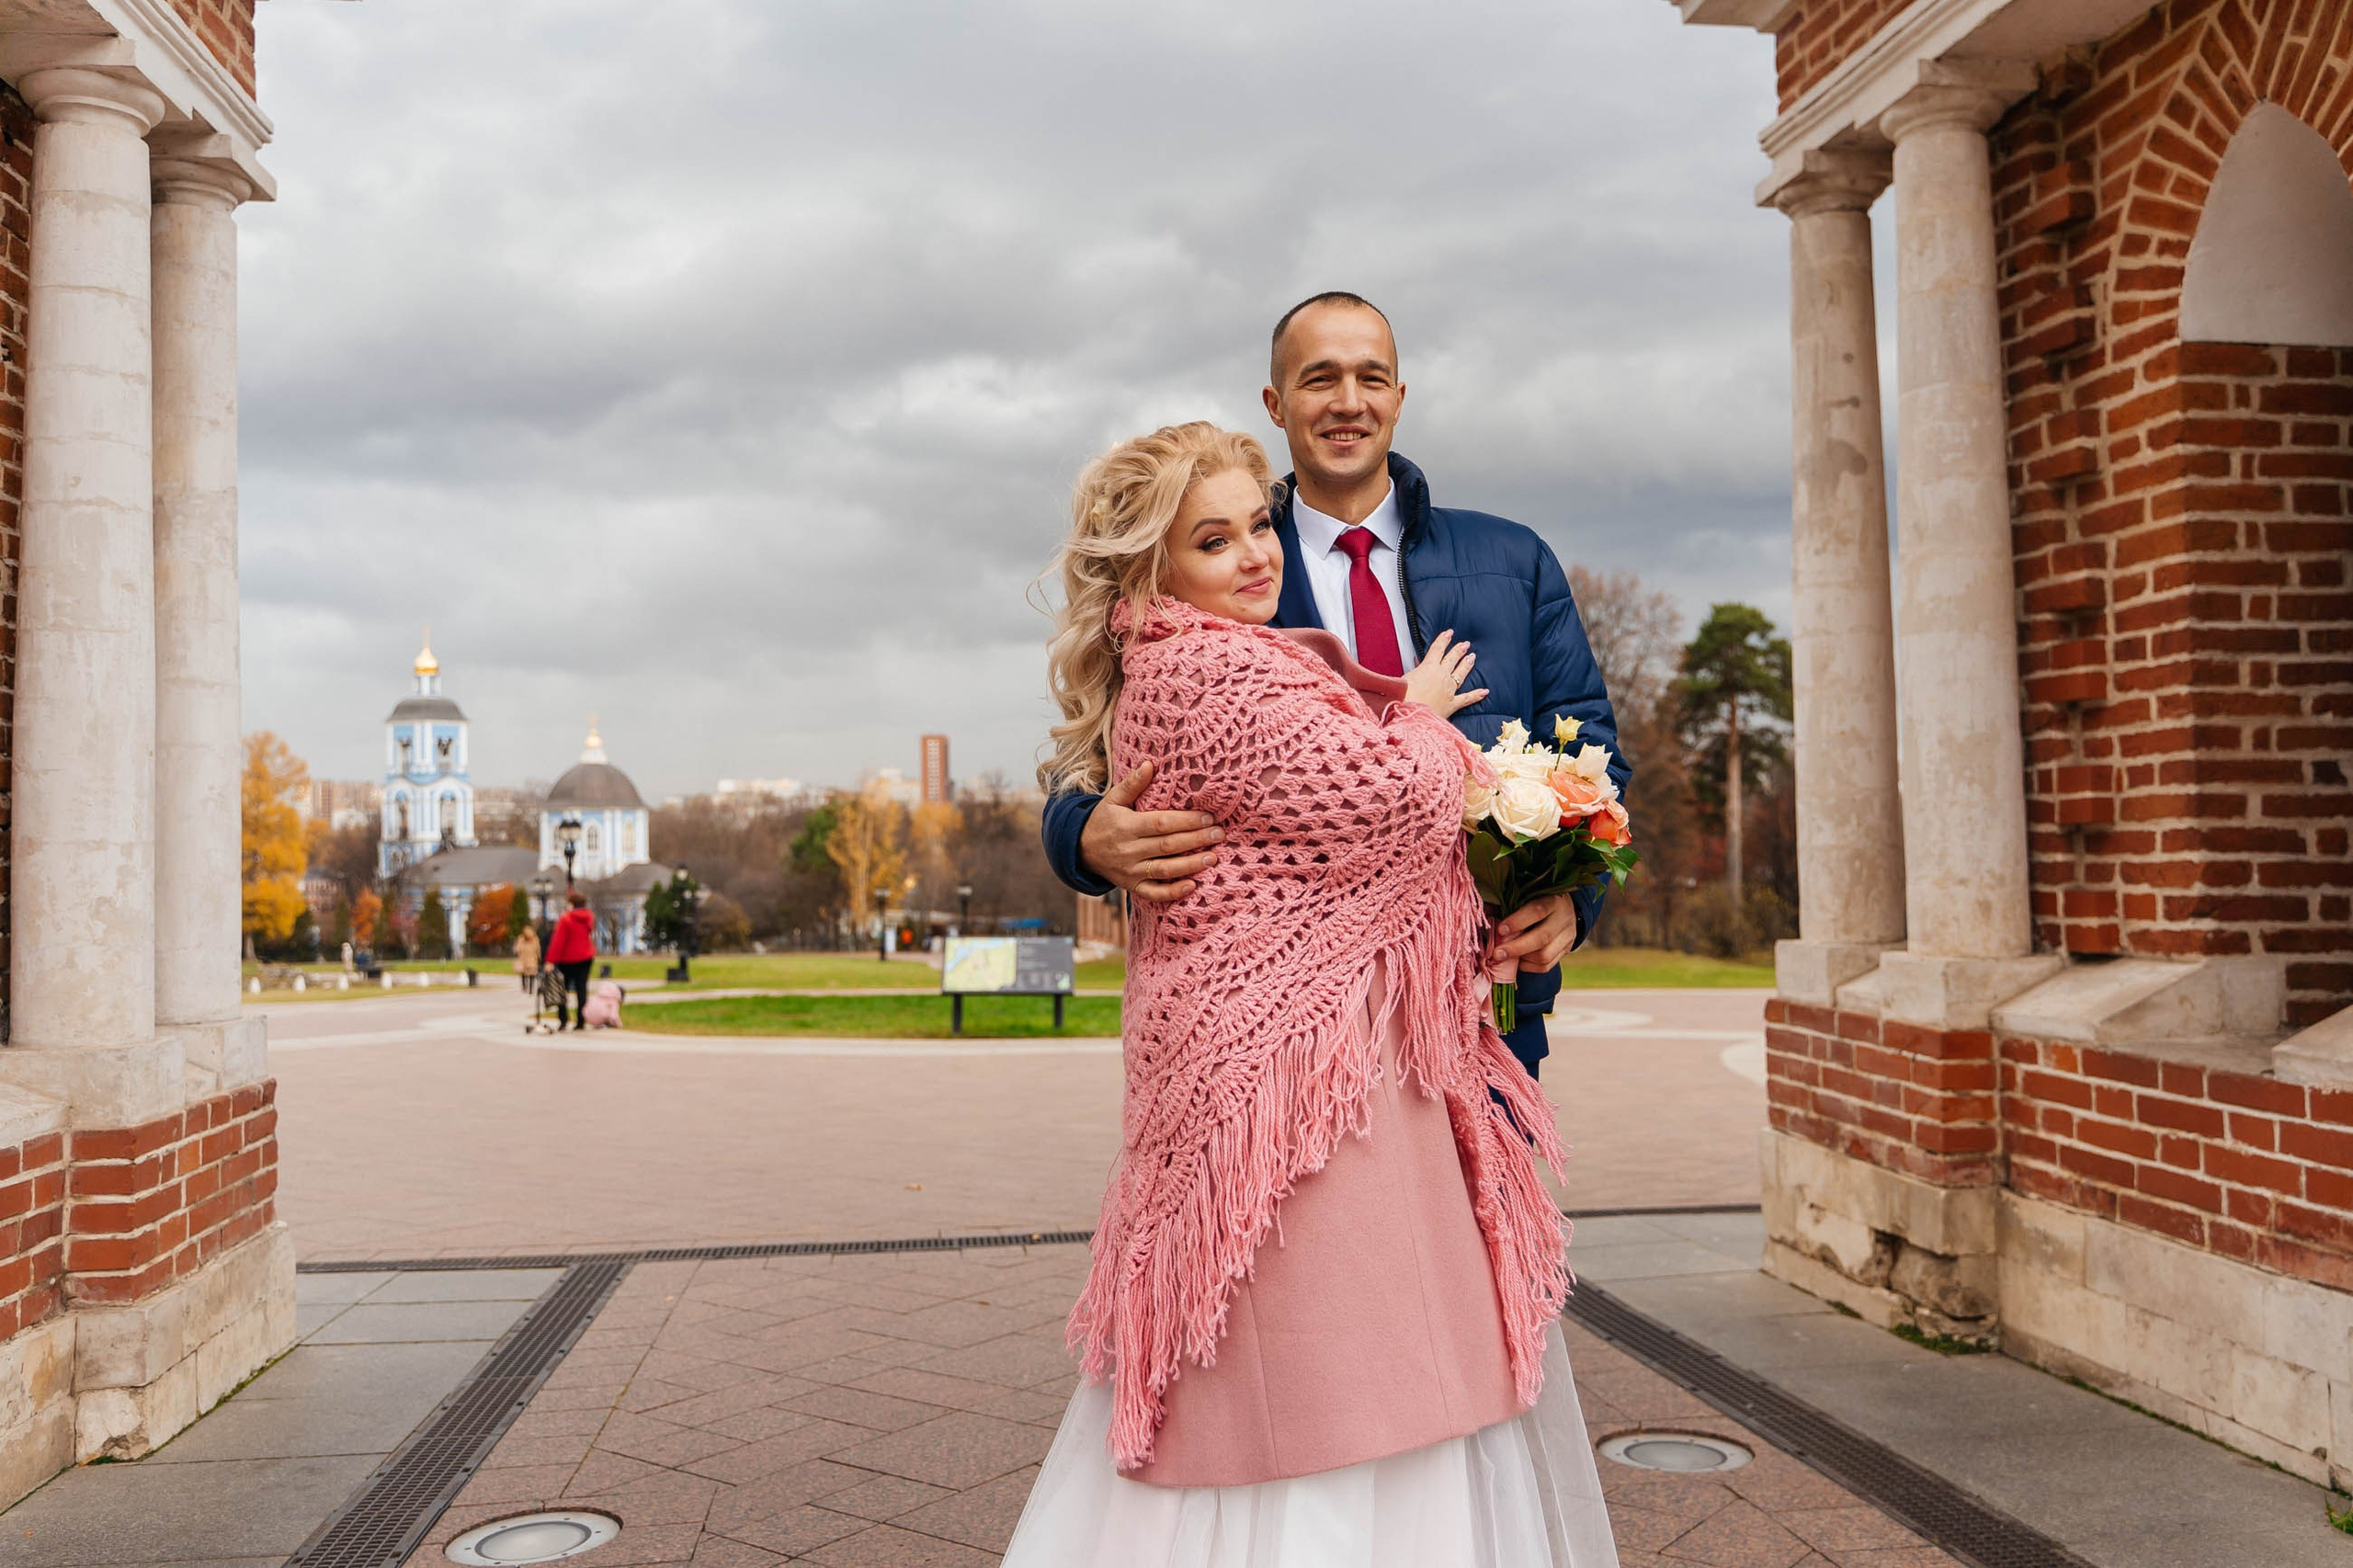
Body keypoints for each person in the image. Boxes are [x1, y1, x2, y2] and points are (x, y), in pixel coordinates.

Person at [1002, 424, 1617, 1566]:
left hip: (1389, 1055)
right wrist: (1426, 718)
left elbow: (1576, 759)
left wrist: (1566, 888)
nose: (1251, 554)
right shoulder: (1208, 659)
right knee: (1324, 1359)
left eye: (1250, 527)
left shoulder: (1489, 559)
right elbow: (1372, 797)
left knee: (1388, 1349)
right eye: (1213, 537)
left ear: (1398, 393)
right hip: (1294, 1077)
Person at [1042, 293, 1627, 1077]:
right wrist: (1081, 835)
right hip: (1294, 1025)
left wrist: (1573, 901)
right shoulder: (1218, 562)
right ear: (1276, 403)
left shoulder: (1514, 561)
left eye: (1371, 378)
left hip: (1484, 998)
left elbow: (1592, 756)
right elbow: (1094, 744)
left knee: (1489, 1203)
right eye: (1321, 379)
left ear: (1399, 397)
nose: (1349, 403)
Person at [543, 891, 597, 1031]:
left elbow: (558, 942)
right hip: (586, 957)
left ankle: (563, 1019)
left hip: (567, 960)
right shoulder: (589, 918)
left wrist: (550, 961)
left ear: (571, 904)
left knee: (562, 990)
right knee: (582, 990)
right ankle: (581, 1021)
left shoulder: (566, 919)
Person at [511, 921, 541, 995]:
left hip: (524, 959)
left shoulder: (522, 938)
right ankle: (530, 988)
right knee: (531, 974)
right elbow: (538, 949)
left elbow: (517, 949)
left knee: (524, 974)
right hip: (532, 959)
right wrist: (539, 957)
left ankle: (525, 987)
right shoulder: (535, 939)